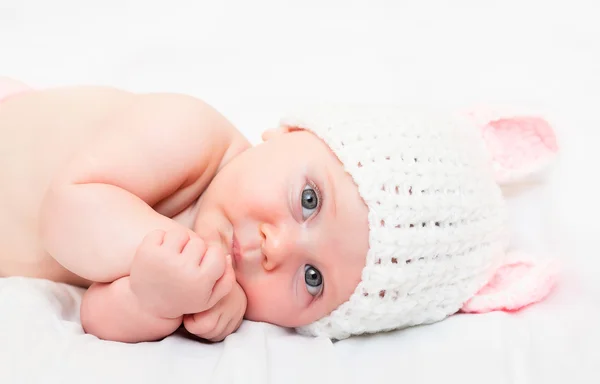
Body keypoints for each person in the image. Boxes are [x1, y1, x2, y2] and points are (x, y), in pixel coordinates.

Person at [0, 77, 559, 343]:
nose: (279, 247)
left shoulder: (217, 296)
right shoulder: (188, 133)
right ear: (288, 132)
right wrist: (180, 271)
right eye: (308, 200)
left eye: (312, 280)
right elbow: (64, 214)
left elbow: (97, 317)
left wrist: (154, 299)